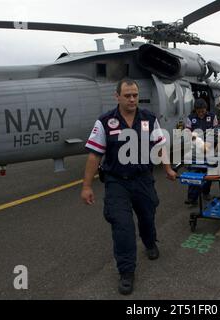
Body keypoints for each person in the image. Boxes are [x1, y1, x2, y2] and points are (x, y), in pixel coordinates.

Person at [81, 79, 177, 295]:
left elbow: (160, 146)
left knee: (147, 216)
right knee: (122, 226)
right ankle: (126, 272)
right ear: (117, 96)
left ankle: (150, 242)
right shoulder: (105, 121)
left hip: (143, 179)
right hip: (117, 182)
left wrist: (168, 168)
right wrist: (86, 186)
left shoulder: (149, 119)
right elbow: (94, 154)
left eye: (135, 95)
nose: (132, 99)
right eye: (127, 95)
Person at [185, 98, 218, 205]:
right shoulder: (190, 118)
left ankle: (206, 193)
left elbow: (216, 131)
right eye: (198, 111)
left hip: (209, 148)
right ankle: (192, 198)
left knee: (208, 172)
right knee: (194, 172)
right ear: (195, 110)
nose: (201, 113)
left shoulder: (212, 116)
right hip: (195, 149)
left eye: (202, 110)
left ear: (206, 109)